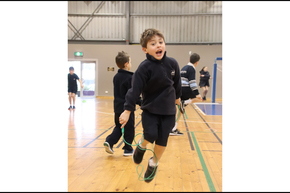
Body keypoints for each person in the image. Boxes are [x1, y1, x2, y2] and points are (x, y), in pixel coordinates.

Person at [119, 28, 182, 183]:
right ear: (145, 49)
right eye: (153, 44)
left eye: (161, 42)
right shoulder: (144, 68)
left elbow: (177, 84)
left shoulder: (173, 64)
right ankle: (142, 146)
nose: (158, 46)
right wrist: (127, 110)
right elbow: (134, 90)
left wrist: (178, 99)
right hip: (150, 109)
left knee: (162, 141)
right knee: (151, 135)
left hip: (168, 111)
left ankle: (153, 163)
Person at [103, 51, 142, 156]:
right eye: (130, 61)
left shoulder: (116, 77)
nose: (131, 63)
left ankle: (109, 142)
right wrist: (141, 102)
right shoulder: (130, 77)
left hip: (117, 108)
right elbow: (132, 94)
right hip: (127, 109)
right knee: (129, 129)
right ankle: (128, 149)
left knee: (119, 127)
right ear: (126, 64)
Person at [170, 53, 203, 135]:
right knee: (199, 98)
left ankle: (173, 128)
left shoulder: (184, 67)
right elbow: (192, 82)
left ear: (189, 60)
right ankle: (186, 102)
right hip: (186, 89)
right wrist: (197, 93)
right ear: (197, 62)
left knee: (180, 110)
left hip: (180, 89)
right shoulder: (192, 68)